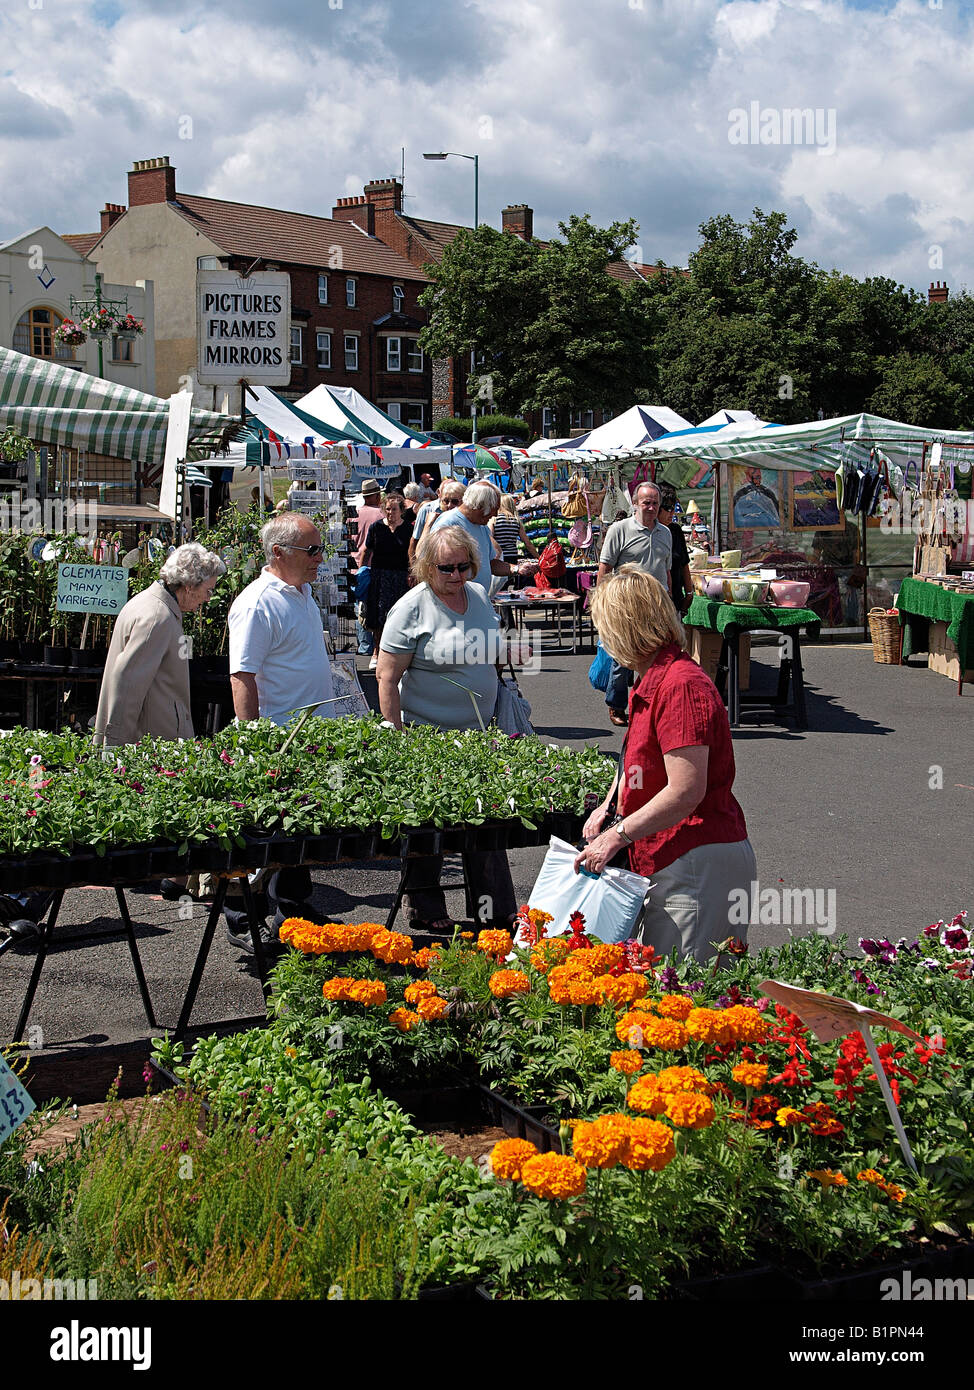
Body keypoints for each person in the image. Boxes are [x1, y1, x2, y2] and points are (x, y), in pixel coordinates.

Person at [578, 566, 756, 964]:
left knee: (685, 994)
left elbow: (685, 789)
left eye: (605, 630)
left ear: (625, 629)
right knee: (662, 988)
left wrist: (616, 835)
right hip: (671, 854)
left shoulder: (680, 685)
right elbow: (637, 759)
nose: (602, 642)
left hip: (694, 860)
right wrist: (609, 806)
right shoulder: (652, 678)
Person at [376, 527, 516, 935]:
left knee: (486, 822)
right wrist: (395, 735)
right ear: (426, 567)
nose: (457, 575)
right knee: (428, 828)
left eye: (464, 566)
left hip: (478, 734)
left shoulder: (478, 597)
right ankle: (424, 905)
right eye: (447, 568)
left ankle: (494, 910)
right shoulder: (410, 609)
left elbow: (494, 657)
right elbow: (386, 678)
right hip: (426, 736)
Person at [226, 513, 335, 953]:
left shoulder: (301, 592)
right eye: (312, 551)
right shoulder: (257, 602)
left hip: (306, 737)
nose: (320, 559)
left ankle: (293, 909)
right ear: (278, 553)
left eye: (319, 548)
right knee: (260, 833)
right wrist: (254, 741)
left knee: (297, 827)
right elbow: (242, 676)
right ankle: (242, 919)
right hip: (277, 738)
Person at [94, 540, 226, 902]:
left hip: (158, 727)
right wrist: (112, 748)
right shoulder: (156, 617)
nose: (207, 598)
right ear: (187, 585)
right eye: (207, 590)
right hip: (152, 735)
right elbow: (127, 685)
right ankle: (169, 877)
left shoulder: (156, 606)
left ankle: (173, 877)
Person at [597, 481, 672, 727]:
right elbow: (605, 568)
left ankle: (650, 704)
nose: (650, 507)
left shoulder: (666, 533)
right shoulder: (619, 529)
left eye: (654, 503)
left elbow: (665, 569)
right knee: (623, 660)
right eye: (646, 502)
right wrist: (603, 602)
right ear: (635, 504)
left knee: (657, 657)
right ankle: (616, 704)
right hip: (628, 604)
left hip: (657, 605)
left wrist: (669, 600)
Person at [430, 480, 513, 593]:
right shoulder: (448, 523)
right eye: (494, 509)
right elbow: (436, 567)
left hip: (476, 600)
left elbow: (490, 564)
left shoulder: (482, 527)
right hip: (456, 601)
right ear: (480, 505)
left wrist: (516, 568)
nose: (495, 514)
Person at [362, 491, 413, 670]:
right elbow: (367, 551)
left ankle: (398, 654)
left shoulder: (408, 529)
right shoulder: (376, 527)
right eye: (388, 509)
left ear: (401, 511)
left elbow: (413, 554)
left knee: (399, 616)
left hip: (400, 577)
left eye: (394, 509)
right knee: (378, 617)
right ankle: (376, 651)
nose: (391, 513)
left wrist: (412, 573)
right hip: (380, 576)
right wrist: (362, 572)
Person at [351, 479, 385, 655]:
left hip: (354, 565)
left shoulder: (353, 513)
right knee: (372, 607)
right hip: (371, 566)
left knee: (360, 607)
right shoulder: (380, 515)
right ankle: (371, 647)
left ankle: (364, 645)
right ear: (377, 495)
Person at [657, 484, 693, 616]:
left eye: (673, 508)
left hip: (676, 600)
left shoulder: (676, 530)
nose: (671, 513)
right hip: (656, 602)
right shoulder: (648, 532)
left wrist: (689, 594)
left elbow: (684, 563)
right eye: (667, 508)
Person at [409, 478, 465, 563]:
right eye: (446, 501)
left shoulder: (466, 516)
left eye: (454, 501)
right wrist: (414, 569)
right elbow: (415, 540)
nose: (450, 505)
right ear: (439, 493)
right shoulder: (427, 510)